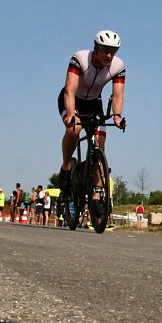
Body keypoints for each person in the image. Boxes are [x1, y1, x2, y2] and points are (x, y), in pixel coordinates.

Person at [57, 30, 127, 199]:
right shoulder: (80, 58)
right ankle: (66, 165)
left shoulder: (118, 66)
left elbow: (118, 95)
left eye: (113, 51)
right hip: (72, 99)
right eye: (105, 50)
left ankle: (96, 192)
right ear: (96, 48)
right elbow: (70, 90)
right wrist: (71, 114)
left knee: (99, 144)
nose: (109, 55)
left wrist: (117, 116)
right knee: (74, 129)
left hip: (94, 103)